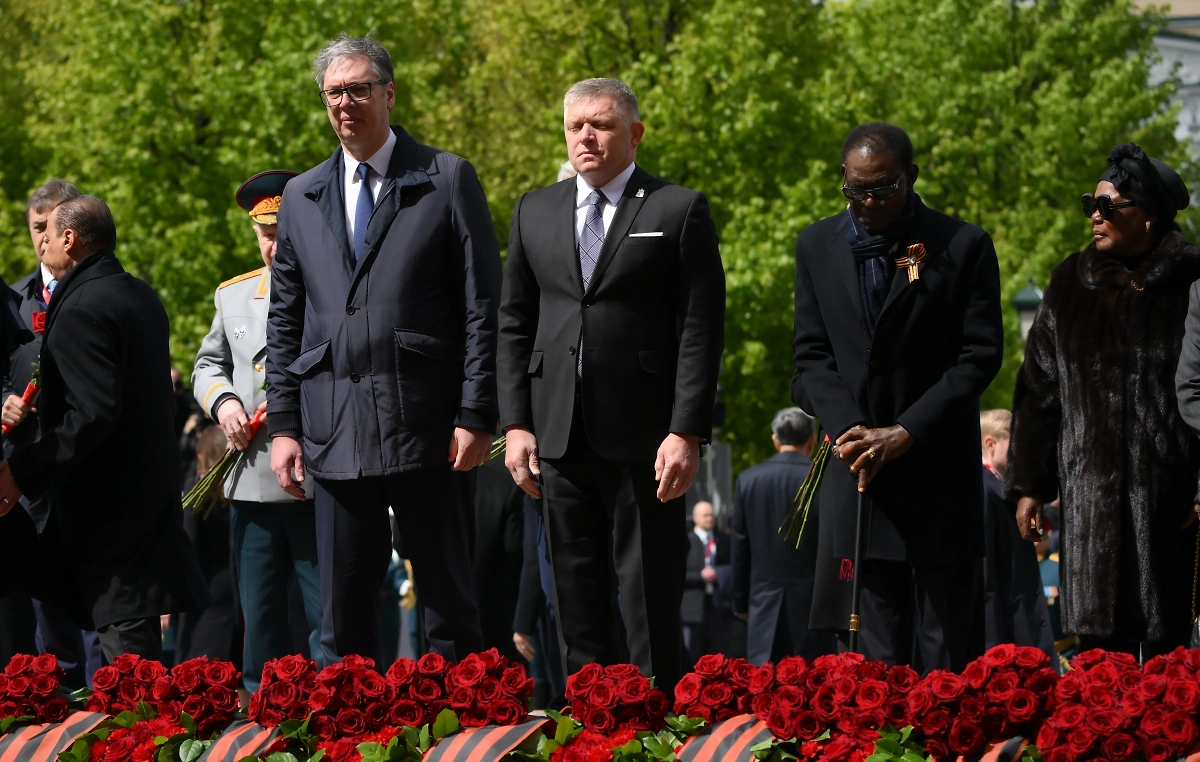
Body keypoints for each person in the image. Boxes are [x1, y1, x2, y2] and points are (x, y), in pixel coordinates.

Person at [266, 33, 500, 664]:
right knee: (342, 622)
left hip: (429, 427)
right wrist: (284, 426)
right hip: (333, 428)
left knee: (449, 611)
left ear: (389, 94)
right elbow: (285, 319)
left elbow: (483, 304)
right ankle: (352, 722)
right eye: (333, 93)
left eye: (359, 89)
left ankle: (459, 721)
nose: (346, 103)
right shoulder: (301, 196)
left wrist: (476, 412)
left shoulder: (445, 178)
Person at [498, 77, 725, 692]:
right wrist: (515, 423)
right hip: (557, 433)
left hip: (647, 438)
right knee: (574, 594)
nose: (586, 137)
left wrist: (686, 430)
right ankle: (590, 718)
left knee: (649, 592)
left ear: (635, 133)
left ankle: (659, 720)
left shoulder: (677, 208)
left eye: (601, 124)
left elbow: (700, 330)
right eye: (575, 126)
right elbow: (513, 322)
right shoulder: (534, 209)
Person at [792, 122, 1003, 671]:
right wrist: (850, 431)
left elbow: (978, 356)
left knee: (945, 658)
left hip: (936, 475)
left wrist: (906, 431)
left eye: (882, 190)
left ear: (910, 176)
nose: (866, 203)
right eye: (855, 190)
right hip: (859, 475)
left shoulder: (963, 245)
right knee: (872, 664)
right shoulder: (816, 245)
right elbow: (811, 355)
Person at [1010, 143, 1200, 655]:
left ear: (1150, 216)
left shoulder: (1191, 283)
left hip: (1174, 507)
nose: (1095, 215)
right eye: (1089, 205)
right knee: (1097, 662)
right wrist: (1030, 486)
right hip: (1090, 507)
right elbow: (1038, 393)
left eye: (1108, 206)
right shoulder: (1069, 282)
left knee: (1172, 663)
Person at [0, 195, 208, 662]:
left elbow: (91, 414)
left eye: (49, 235)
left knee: (131, 676)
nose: (42, 245)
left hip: (109, 521)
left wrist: (24, 470)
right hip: (146, 504)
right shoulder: (139, 294)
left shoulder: (81, 306)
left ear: (70, 239)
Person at [193, 169, 322, 688]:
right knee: (260, 614)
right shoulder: (234, 296)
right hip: (250, 480)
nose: (273, 246)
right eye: (266, 235)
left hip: (315, 478)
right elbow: (208, 365)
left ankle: (332, 708)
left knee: (324, 616)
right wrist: (224, 404)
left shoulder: (329, 289)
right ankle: (262, 707)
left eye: (282, 235)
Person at [1, 179, 102, 687]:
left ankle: (107, 702)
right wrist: (4, 399)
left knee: (97, 599)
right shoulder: (11, 300)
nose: (45, 237)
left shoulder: (101, 290)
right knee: (46, 607)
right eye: (36, 227)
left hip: (88, 468)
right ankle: (57, 702)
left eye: (53, 225)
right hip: (31, 473)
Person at [731, 408, 835, 665]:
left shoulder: (748, 479)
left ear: (775, 440)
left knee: (765, 681)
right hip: (814, 605)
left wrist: (739, 601)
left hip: (762, 603)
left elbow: (740, 546)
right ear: (811, 440)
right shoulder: (825, 479)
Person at [978, 410, 1054, 659]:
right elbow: (986, 577)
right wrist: (995, 648)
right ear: (991, 444)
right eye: (1017, 444)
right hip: (1007, 629)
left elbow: (1034, 542)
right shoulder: (984, 492)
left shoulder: (1006, 491)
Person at [471, 457, 525, 662]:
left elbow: (402, 546)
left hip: (437, 610)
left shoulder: (428, 483)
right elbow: (514, 550)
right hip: (494, 607)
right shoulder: (505, 483)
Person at [681, 501, 727, 665]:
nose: (709, 518)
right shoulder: (687, 541)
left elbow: (733, 566)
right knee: (692, 655)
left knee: (720, 657)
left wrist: (719, 573)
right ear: (695, 518)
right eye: (705, 515)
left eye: (711, 515)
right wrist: (700, 576)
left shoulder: (723, 539)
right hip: (692, 610)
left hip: (717, 607)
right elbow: (679, 573)